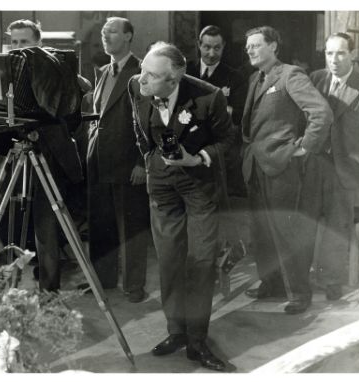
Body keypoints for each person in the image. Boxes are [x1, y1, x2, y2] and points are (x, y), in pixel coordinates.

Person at [128, 42, 234, 371]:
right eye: (142, 70)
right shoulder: (137, 86)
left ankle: (197, 342)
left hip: (198, 182)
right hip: (161, 181)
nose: (141, 79)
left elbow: (229, 140)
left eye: (151, 75)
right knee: (170, 259)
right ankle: (177, 331)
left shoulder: (209, 96)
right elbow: (138, 127)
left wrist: (198, 157)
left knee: (200, 262)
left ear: (173, 81)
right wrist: (150, 161)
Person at [241, 26, 333, 314]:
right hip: (256, 165)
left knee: (287, 230)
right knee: (263, 232)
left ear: (274, 46)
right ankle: (272, 283)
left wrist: (305, 146)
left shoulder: (290, 74)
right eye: (248, 48)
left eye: (256, 45)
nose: (251, 51)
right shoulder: (255, 79)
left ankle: (299, 293)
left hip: (282, 166)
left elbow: (321, 113)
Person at [3, 19, 86, 291]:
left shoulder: (53, 65)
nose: (18, 49)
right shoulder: (7, 70)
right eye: (13, 42)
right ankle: (10, 287)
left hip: (49, 154)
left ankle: (49, 290)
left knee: (46, 225)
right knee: (9, 219)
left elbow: (71, 108)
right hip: (18, 149)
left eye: (24, 42)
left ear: (38, 42)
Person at [86, 17, 149, 303]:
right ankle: (103, 281)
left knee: (131, 228)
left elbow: (150, 121)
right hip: (99, 161)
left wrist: (141, 162)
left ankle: (134, 286)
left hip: (127, 163)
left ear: (128, 36)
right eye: (103, 32)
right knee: (101, 225)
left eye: (112, 31)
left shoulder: (142, 71)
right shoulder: (103, 72)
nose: (105, 36)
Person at [309, 33, 359, 300]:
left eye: (341, 53)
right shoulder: (316, 79)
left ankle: (332, 281)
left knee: (336, 224)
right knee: (306, 220)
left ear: (352, 55)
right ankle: (303, 278)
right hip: (315, 164)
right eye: (329, 53)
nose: (334, 59)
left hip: (345, 168)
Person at [187, 25, 248, 197]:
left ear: (224, 47)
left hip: (220, 151)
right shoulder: (186, 71)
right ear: (199, 45)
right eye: (206, 47)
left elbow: (238, 113)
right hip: (189, 147)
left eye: (217, 48)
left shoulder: (235, 76)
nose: (211, 54)